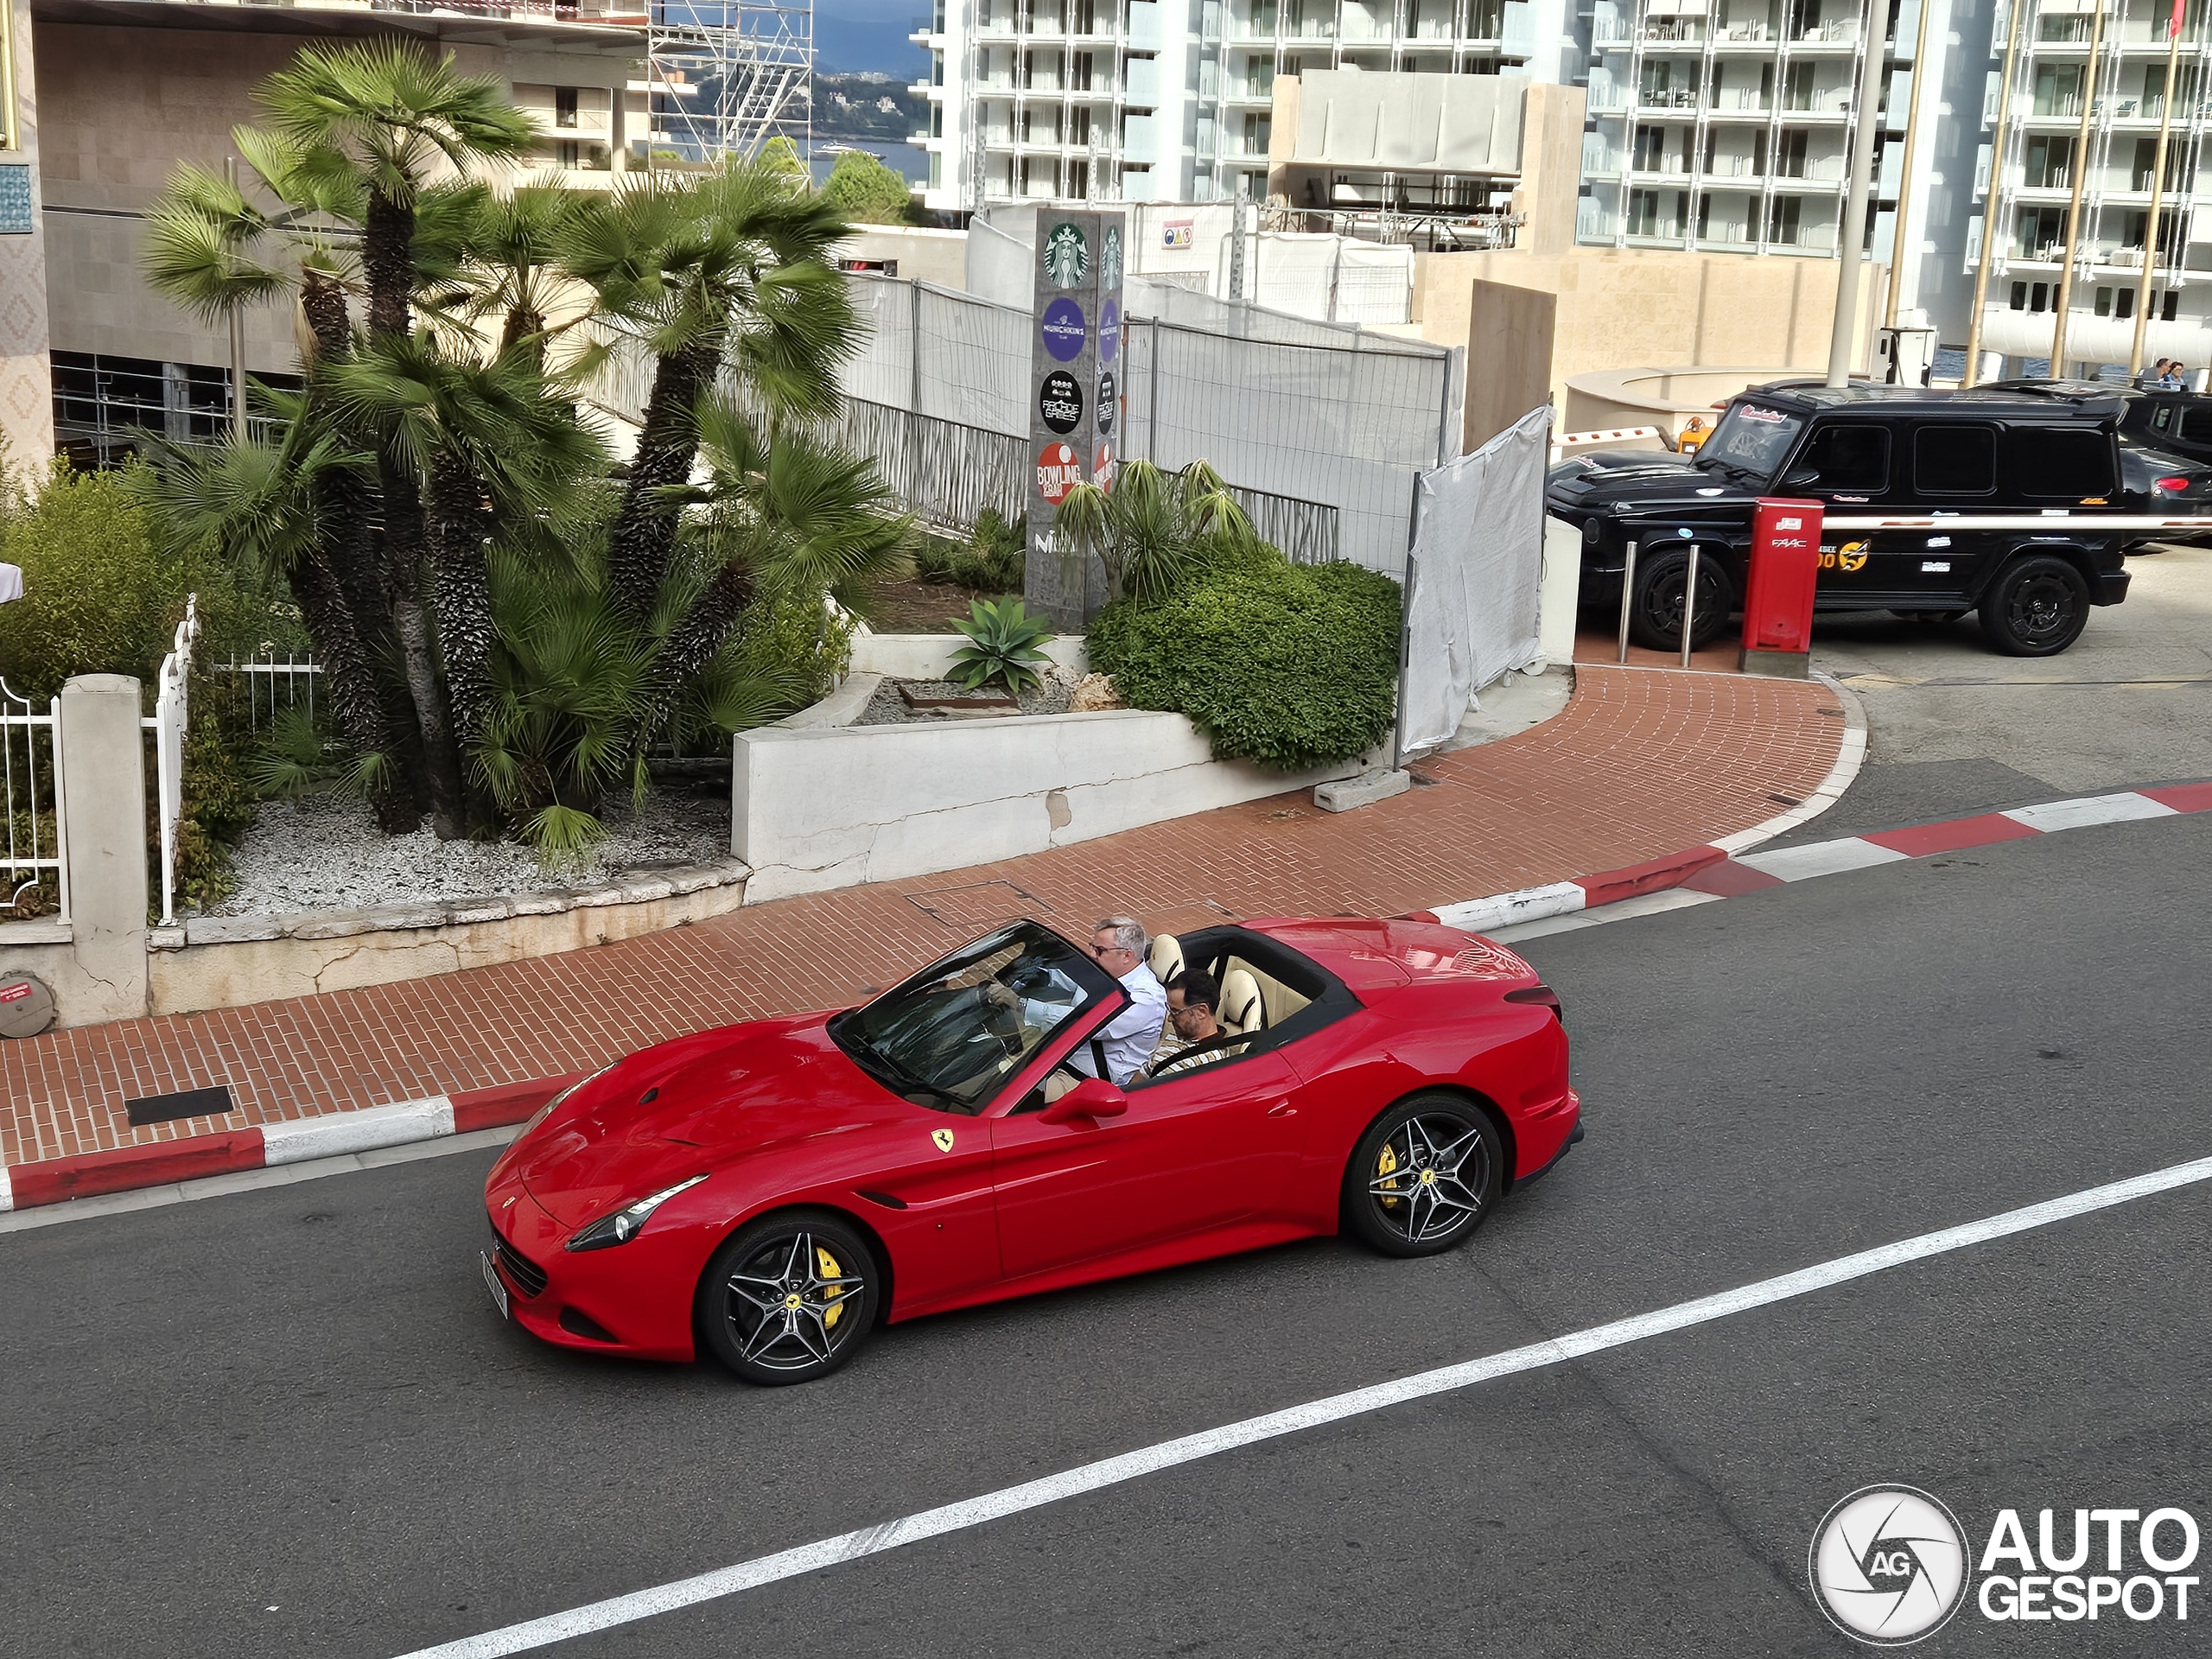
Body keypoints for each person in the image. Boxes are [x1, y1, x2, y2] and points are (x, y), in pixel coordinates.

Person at [1070, 916, 1168, 1087]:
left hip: (1089, 1083)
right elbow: (1071, 979)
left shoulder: (1146, 999)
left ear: (1126, 956)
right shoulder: (1108, 971)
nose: (1092, 954)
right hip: (1062, 1059)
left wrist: (1026, 1008)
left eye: (1100, 950)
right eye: (1092, 946)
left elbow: (1087, 1026)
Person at [1147, 970, 1243, 1078]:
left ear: (1201, 1012)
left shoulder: (1208, 1063)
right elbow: (1142, 1074)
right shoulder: (1183, 1034)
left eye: (1175, 1012)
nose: (1169, 1018)